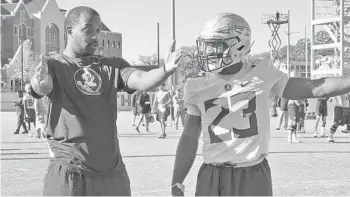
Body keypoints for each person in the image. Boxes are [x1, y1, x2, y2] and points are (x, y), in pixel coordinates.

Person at [171, 12, 350, 196]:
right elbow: (190, 137)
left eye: (216, 46)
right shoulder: (196, 86)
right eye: (208, 46)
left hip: (252, 173)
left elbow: (315, 87)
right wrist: (177, 181)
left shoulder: (262, 74)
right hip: (211, 174)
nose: (209, 52)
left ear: (238, 45)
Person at [29, 6, 181, 196]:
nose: (95, 36)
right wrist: (40, 83)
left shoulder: (112, 65)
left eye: (98, 30)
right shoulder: (54, 64)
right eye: (88, 30)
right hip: (70, 172)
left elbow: (142, 80)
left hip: (111, 174)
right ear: (69, 31)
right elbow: (42, 86)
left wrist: (164, 69)